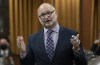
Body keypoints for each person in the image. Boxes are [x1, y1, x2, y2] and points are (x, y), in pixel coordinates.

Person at [17, 3, 87, 65]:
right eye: (42, 15)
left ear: (56, 13)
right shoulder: (33, 39)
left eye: (49, 13)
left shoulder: (71, 34)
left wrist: (76, 49)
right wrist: (23, 53)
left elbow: (83, 63)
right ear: (39, 19)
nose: (46, 17)